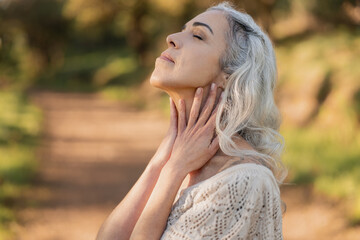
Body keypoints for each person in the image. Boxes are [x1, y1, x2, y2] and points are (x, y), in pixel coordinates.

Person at [96, 2, 287, 239]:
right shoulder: (181, 156)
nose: (171, 38)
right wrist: (162, 160)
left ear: (229, 75)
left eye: (198, 35)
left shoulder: (244, 180)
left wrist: (173, 170)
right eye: (182, 30)